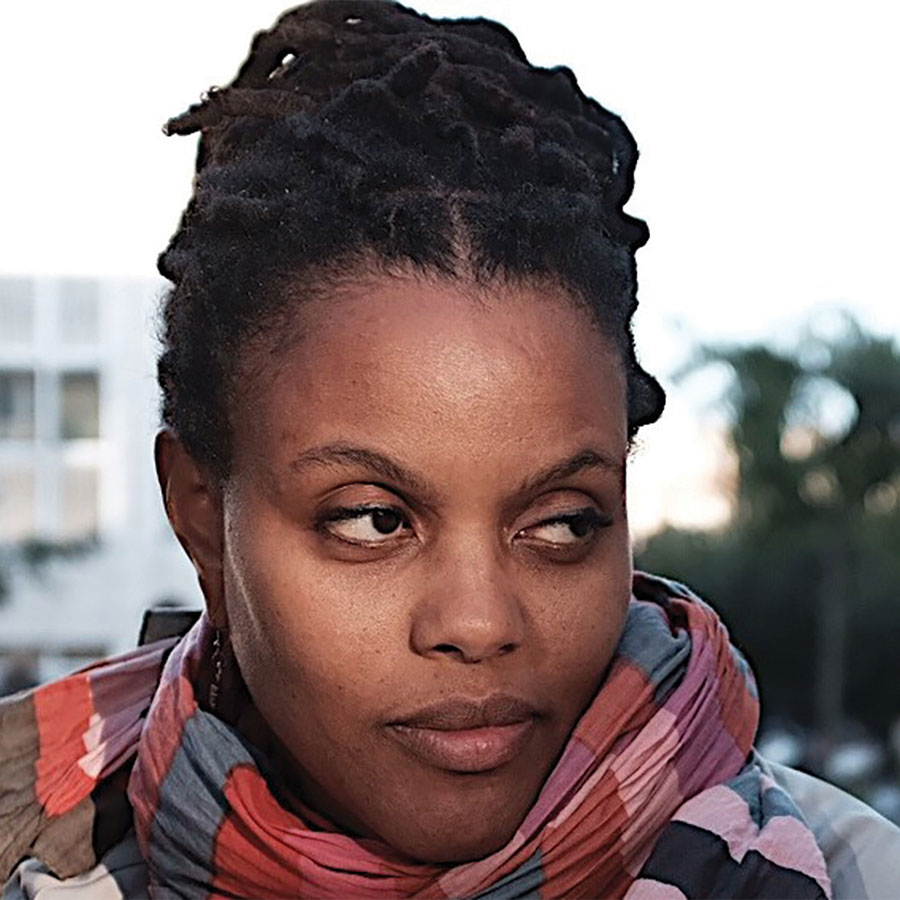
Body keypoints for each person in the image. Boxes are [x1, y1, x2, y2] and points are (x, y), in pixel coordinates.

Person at [1, 1, 898, 897]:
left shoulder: (843, 872)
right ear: (201, 520)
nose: (480, 624)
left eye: (562, 524)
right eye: (372, 520)